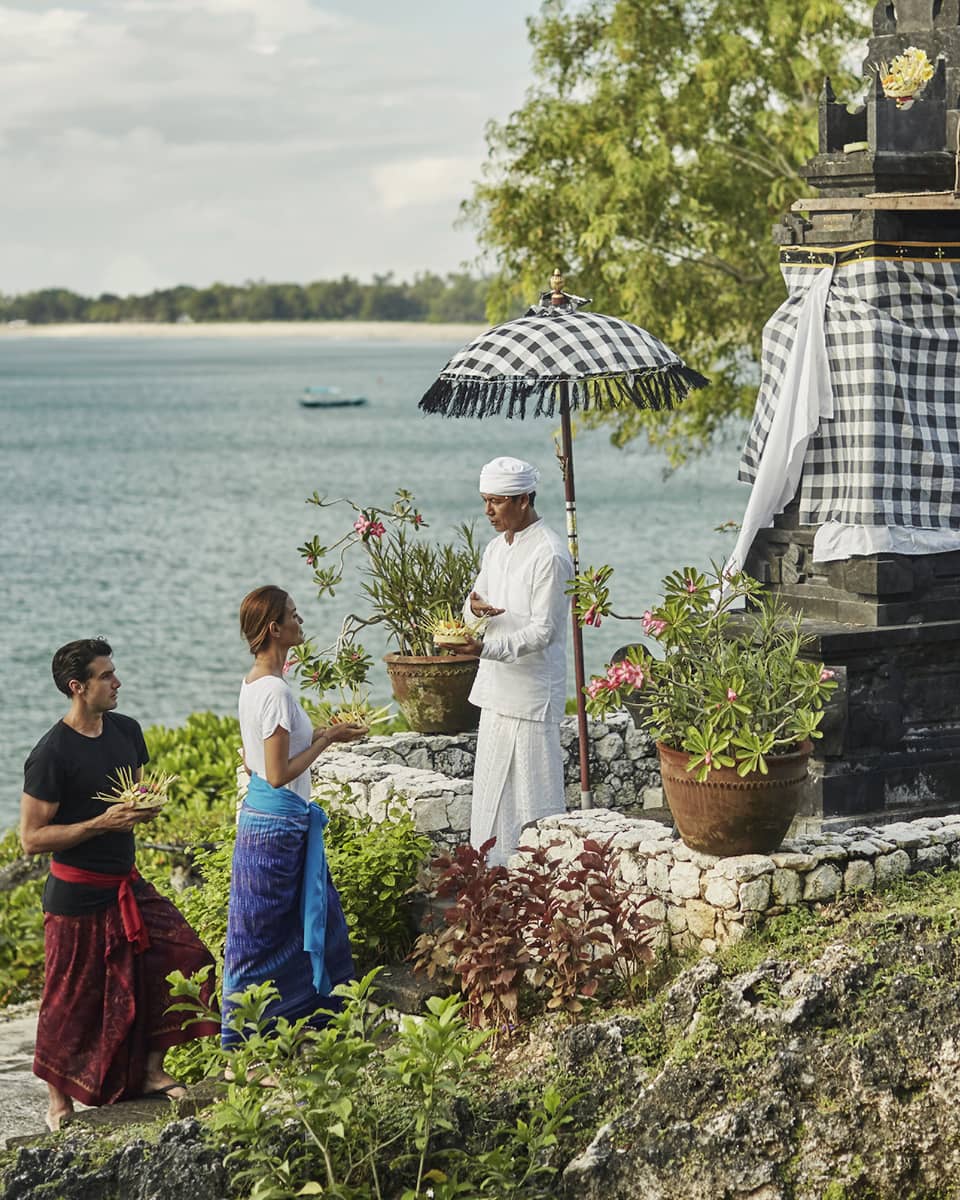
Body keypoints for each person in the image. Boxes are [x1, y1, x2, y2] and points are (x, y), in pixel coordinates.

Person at [20, 638, 219, 1133]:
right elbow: (31, 839)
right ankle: (59, 1103)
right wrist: (99, 824)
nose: (117, 682)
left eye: (114, 672)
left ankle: (150, 1072)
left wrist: (146, 806)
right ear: (77, 687)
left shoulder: (127, 731)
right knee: (69, 997)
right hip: (75, 895)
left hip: (126, 883)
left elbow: (135, 795)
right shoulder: (50, 754)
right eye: (106, 676)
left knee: (184, 957)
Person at [221, 586, 366, 1049]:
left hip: (265, 821)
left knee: (300, 927)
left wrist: (325, 732)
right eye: (294, 616)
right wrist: (325, 741)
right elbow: (279, 773)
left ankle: (298, 1030)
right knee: (263, 940)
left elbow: (254, 765)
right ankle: (242, 1046)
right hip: (277, 831)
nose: (300, 622)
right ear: (274, 629)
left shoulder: (253, 684)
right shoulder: (277, 693)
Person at [452, 456, 573, 867]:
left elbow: (543, 632)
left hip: (532, 695)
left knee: (532, 796)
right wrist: (474, 613)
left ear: (524, 499)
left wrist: (484, 649)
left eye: (497, 502)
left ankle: (539, 884)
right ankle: (492, 881)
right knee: (491, 798)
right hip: (496, 690)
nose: (488, 511)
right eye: (485, 501)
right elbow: (474, 605)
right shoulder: (494, 549)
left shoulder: (551, 554)